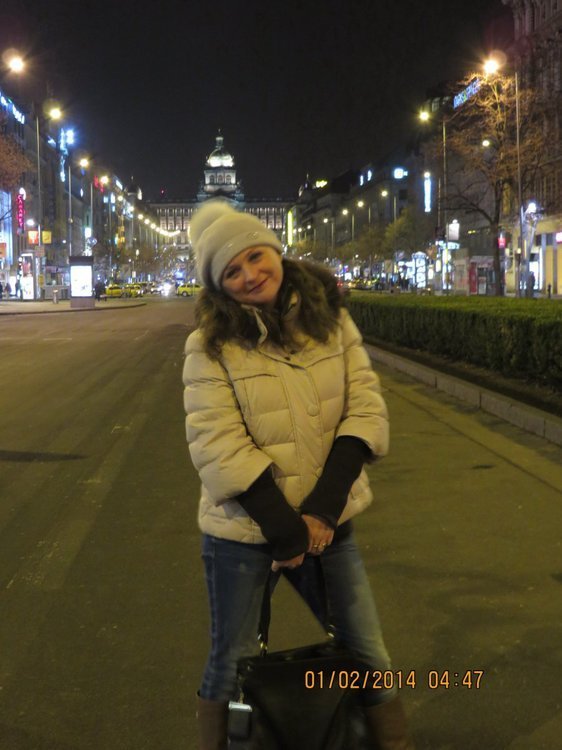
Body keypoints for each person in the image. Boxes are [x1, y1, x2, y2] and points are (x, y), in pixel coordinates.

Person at [182, 200, 414, 750]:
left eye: (254, 257)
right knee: (231, 660)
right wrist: (285, 529)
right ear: (218, 285)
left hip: (327, 525)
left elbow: (365, 409)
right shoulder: (209, 345)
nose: (249, 275)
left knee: (368, 651)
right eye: (231, 271)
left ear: (275, 250)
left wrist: (322, 511)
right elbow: (217, 443)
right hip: (243, 531)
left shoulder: (330, 321)